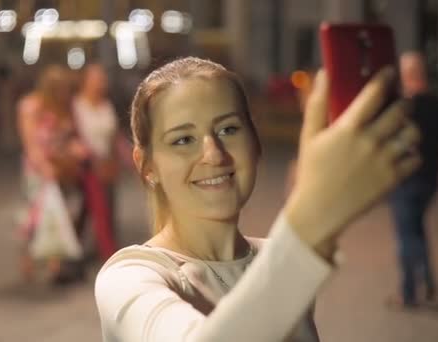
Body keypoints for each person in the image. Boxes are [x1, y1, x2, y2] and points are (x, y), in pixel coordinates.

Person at [95, 57, 420, 341]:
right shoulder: (127, 278)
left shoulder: (273, 257)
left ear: (255, 141)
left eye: (228, 130)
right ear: (146, 165)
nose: (213, 153)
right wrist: (312, 220)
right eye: (183, 139)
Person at [387, 52, 438, 308]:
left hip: (405, 180)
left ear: (407, 74)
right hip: (429, 180)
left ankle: (408, 293)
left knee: (406, 237)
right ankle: (428, 282)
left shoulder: (402, 106)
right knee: (417, 230)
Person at [16, 65, 88, 283]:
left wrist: (75, 149)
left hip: (62, 169)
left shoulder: (63, 107)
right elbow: (31, 145)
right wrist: (45, 168)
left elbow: (67, 136)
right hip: (39, 172)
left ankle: (55, 264)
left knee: (59, 214)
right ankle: (35, 261)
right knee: (38, 216)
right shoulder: (30, 106)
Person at [73, 63, 131, 261]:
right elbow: (73, 135)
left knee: (95, 207)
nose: (101, 83)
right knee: (99, 208)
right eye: (96, 78)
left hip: (107, 163)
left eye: (102, 78)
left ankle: (73, 244)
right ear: (85, 81)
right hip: (86, 166)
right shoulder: (76, 105)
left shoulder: (106, 104)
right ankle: (109, 253)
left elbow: (116, 135)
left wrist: (128, 158)